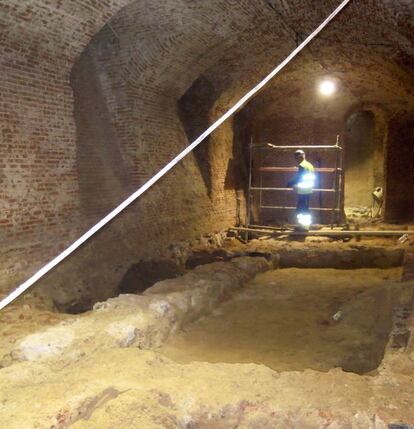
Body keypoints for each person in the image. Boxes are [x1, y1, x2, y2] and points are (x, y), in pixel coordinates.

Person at [287, 149, 315, 229]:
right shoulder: (309, 165)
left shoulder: (302, 166)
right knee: (304, 208)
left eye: (296, 157)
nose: (296, 159)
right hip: (309, 189)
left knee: (301, 209)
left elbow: (299, 177)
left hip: (303, 190)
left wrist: (290, 183)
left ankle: (304, 226)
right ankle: (304, 226)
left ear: (299, 157)